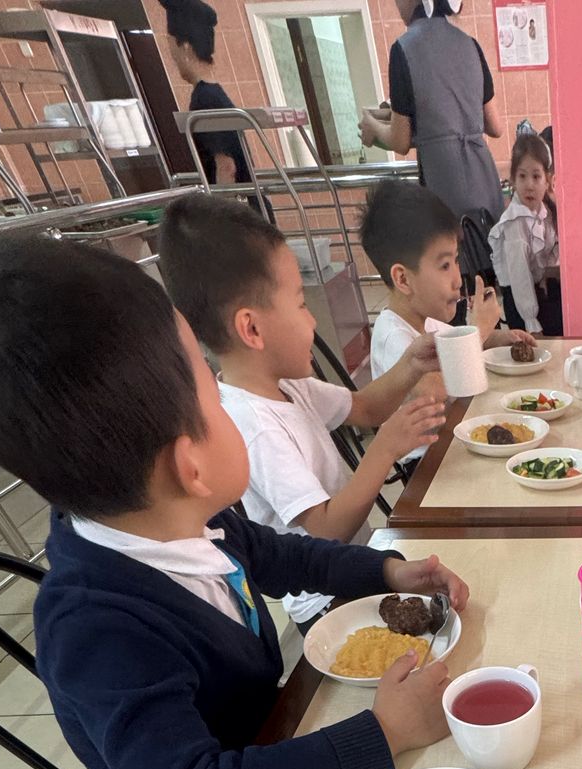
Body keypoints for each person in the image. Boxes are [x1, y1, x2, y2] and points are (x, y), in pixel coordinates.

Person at [0, 237, 466, 769]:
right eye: (215, 396)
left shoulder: (188, 517)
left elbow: (284, 556)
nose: (229, 398)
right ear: (190, 465)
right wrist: (383, 733)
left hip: (277, 741)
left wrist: (388, 571)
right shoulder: (95, 632)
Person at [158, 194, 445, 635]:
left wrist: (411, 365)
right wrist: (385, 448)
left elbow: (365, 406)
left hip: (354, 564)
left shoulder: (289, 385)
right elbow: (327, 529)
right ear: (252, 328)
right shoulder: (254, 424)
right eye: (300, 304)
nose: (312, 321)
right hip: (324, 601)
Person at [363, 180, 530, 385]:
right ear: (403, 279)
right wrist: (480, 331)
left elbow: (458, 345)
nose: (458, 280)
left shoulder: (427, 322)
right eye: (444, 266)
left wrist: (501, 338)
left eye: (456, 260)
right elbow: (435, 390)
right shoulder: (393, 338)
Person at [359, 0, 503, 226]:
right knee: (492, 244)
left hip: (444, 181)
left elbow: (400, 141)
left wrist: (372, 125)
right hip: (485, 182)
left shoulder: (403, 49)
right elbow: (495, 127)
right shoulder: (470, 44)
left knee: (453, 247)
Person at [160, 0, 253, 190]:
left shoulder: (205, 99)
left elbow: (227, 167)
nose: (173, 59)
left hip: (238, 206)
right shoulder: (215, 93)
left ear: (185, 48)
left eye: (172, 50)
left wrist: (220, 205)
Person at [488, 133, 561, 337]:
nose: (529, 185)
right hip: (521, 303)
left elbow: (549, 254)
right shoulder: (516, 222)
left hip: (536, 292)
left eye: (536, 176)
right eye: (522, 176)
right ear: (513, 179)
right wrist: (531, 322)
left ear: (547, 180)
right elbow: (520, 275)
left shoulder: (543, 212)